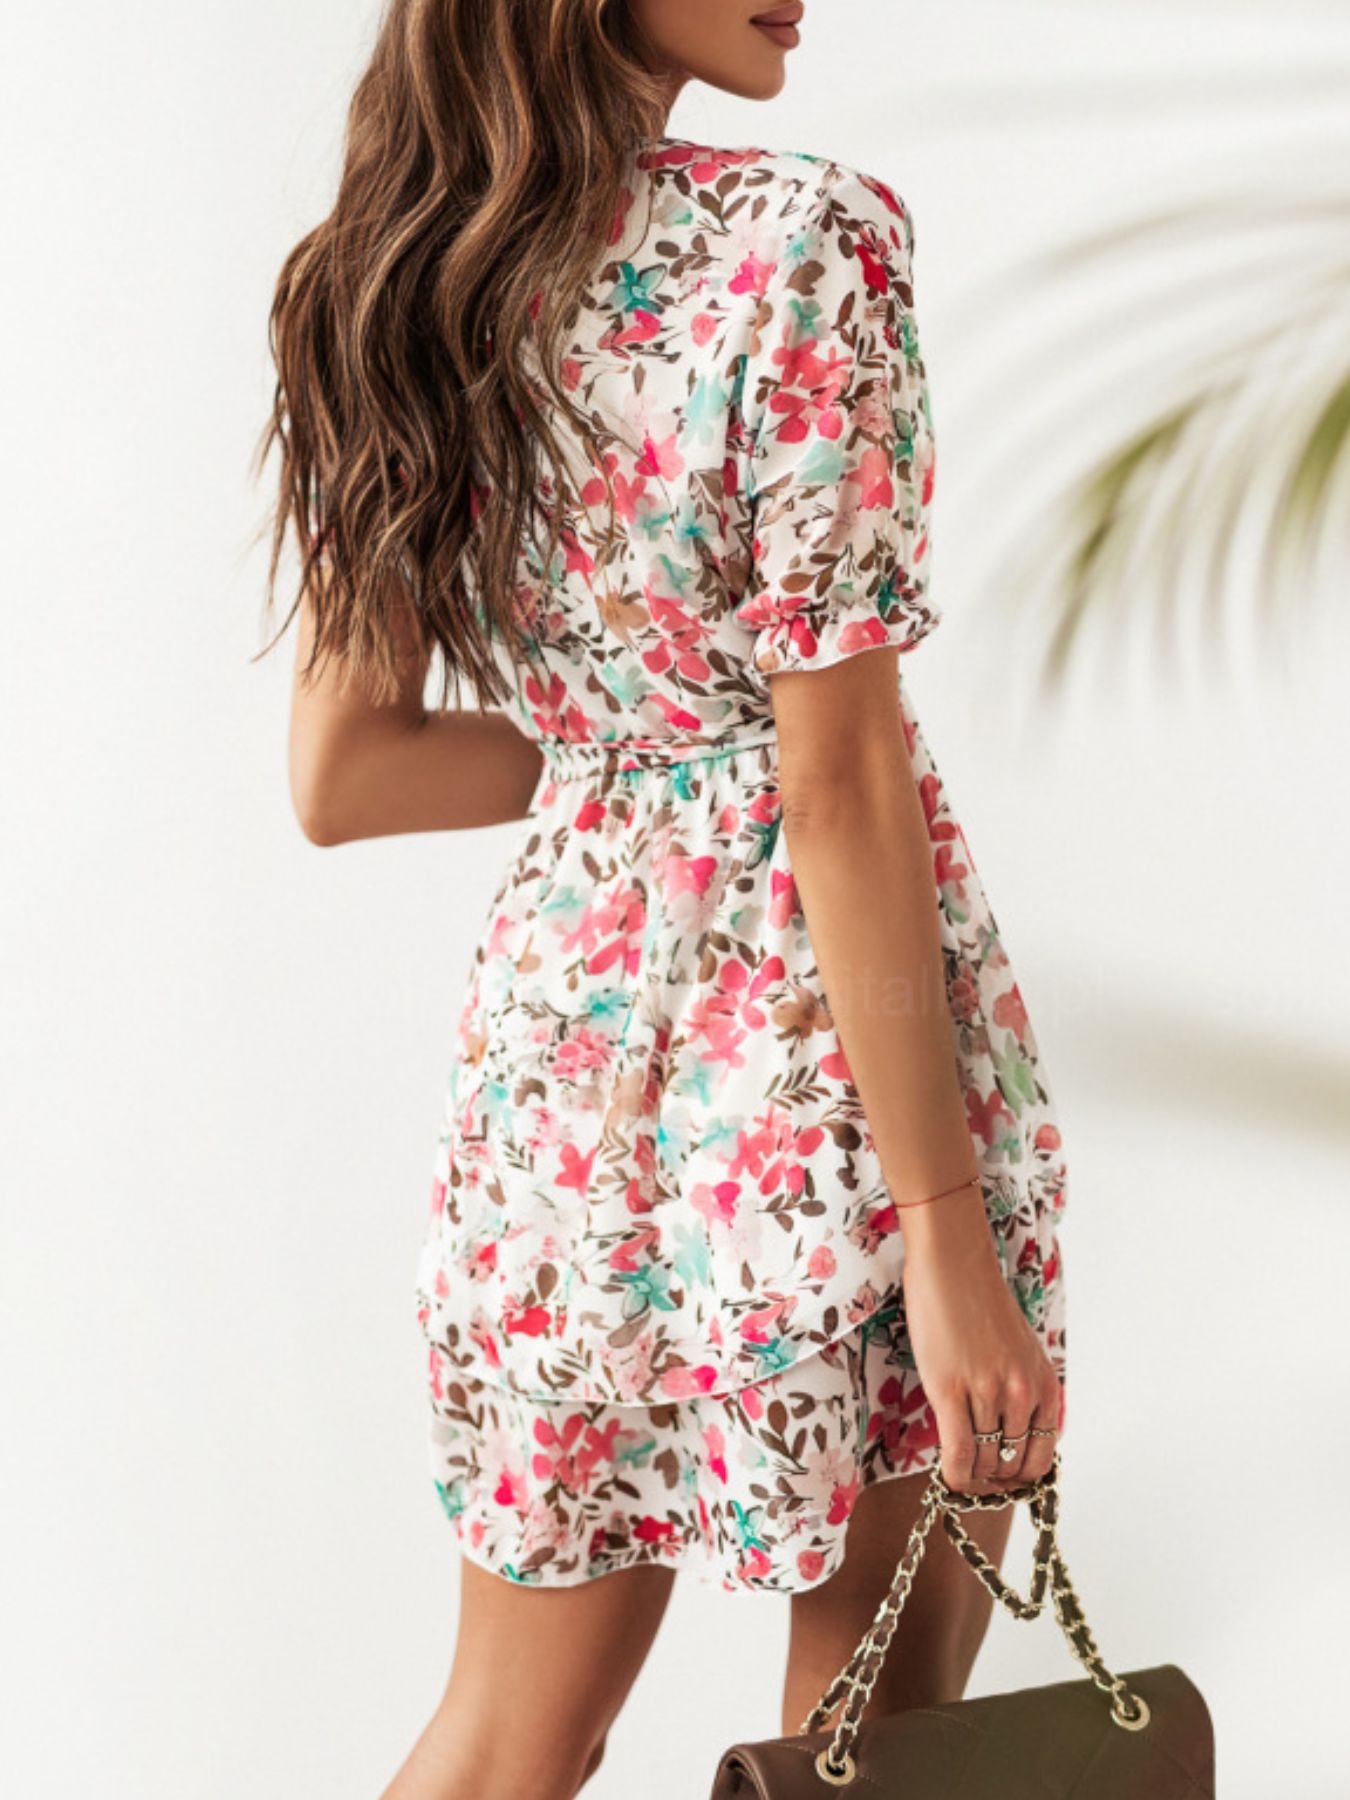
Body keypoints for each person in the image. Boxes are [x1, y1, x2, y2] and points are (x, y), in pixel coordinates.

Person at [256, 3, 1069, 1796]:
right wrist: (944, 1236)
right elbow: (832, 784)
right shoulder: (800, 238)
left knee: (506, 1737)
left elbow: (346, 774)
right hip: (817, 1088)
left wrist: (638, 760)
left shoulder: (379, 282)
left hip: (564, 1093)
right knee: (873, 1741)